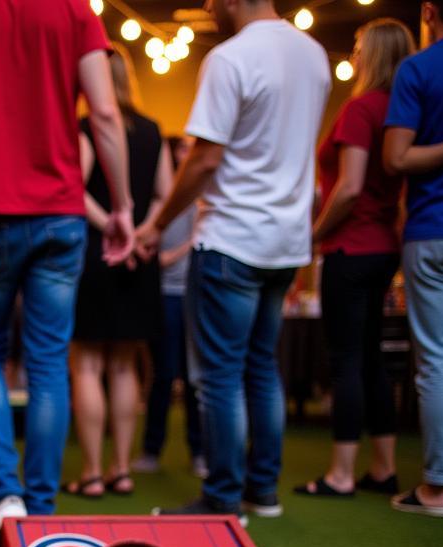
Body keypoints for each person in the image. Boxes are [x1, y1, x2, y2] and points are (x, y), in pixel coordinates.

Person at [0, 0, 134, 539]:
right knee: (47, 361)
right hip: (60, 215)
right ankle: (39, 511)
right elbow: (106, 114)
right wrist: (123, 207)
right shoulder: (75, 11)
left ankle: (4, 496)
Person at [137, 0, 330, 520]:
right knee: (261, 367)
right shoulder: (313, 56)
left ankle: (223, 498)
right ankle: (261, 492)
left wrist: (155, 226)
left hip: (231, 240)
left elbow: (205, 158)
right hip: (285, 242)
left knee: (219, 375)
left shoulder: (230, 57)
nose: (205, 6)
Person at [295, 19, 415, 501]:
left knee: (345, 360)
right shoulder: (401, 110)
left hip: (351, 247)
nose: (354, 54)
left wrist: (311, 237)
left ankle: (341, 474)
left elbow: (347, 188)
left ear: (374, 55)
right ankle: (383, 468)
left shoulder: (361, 109)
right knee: (369, 360)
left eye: (359, 47)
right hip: (384, 248)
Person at [64, 47, 170, 499]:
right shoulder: (152, 131)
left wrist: (110, 225)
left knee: (86, 364)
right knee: (126, 366)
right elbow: (166, 193)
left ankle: (91, 473)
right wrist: (141, 234)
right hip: (138, 257)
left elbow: (73, 186)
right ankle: (121, 469)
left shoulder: (86, 128)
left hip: (94, 253)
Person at [384, 0, 443, 517]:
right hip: (430, 232)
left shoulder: (421, 68)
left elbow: (397, 158)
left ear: (429, 10)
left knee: (436, 360)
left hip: (433, 230)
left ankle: (439, 488)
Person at [132, 135, 206, 481]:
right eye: (182, 148)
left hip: (196, 297)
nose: (188, 153)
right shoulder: (161, 208)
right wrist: (189, 246)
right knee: (163, 375)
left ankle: (200, 452)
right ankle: (151, 450)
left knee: (195, 379)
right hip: (165, 297)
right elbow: (154, 258)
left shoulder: (201, 202)